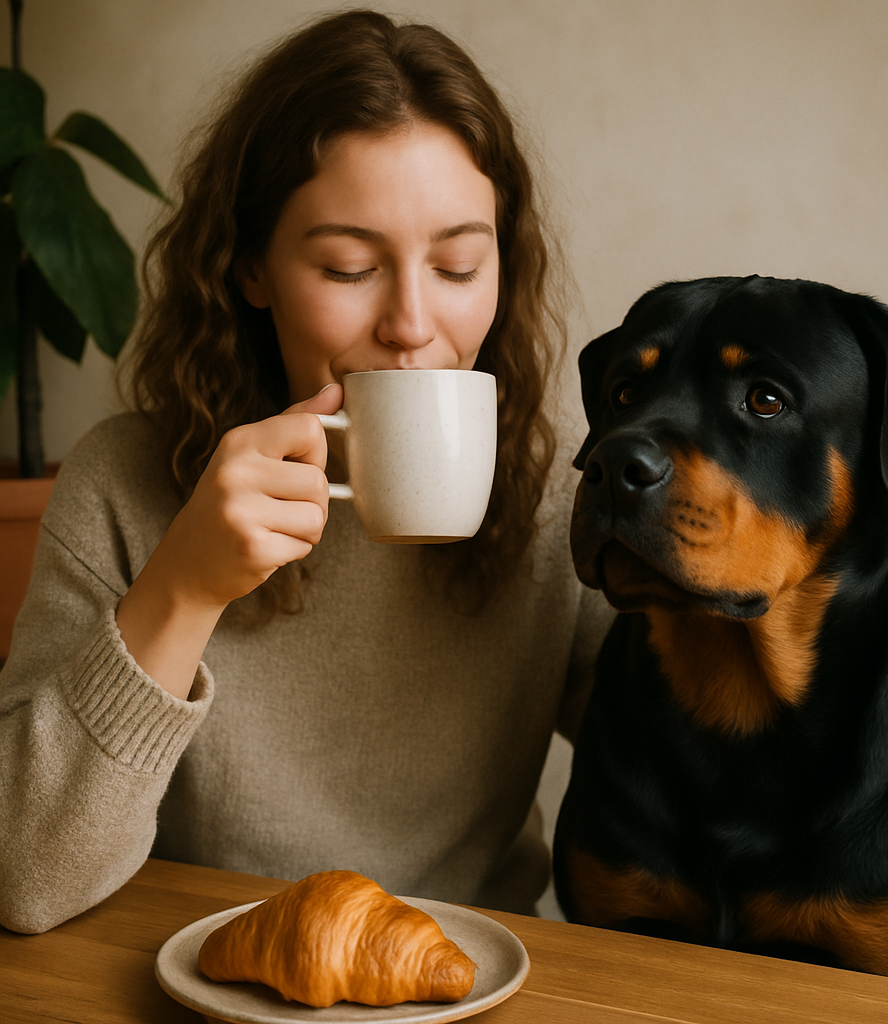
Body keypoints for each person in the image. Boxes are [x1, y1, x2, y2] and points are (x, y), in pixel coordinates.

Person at [0, 9, 612, 934]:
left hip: (472, 974)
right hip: (199, 974)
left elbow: (708, 777)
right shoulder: (123, 485)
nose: (411, 325)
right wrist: (183, 587)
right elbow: (24, 877)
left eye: (457, 266)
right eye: (349, 267)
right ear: (251, 267)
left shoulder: (558, 490)